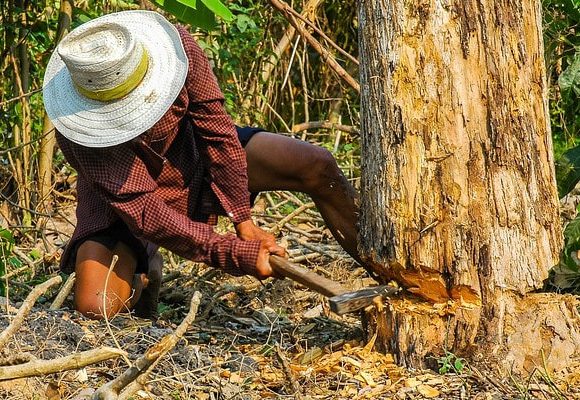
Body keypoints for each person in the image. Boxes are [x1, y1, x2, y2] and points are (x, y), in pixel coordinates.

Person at [43, 10, 362, 319]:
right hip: (127, 202)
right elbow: (145, 212)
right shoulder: (78, 134)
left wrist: (244, 221)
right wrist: (234, 253)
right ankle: (144, 263)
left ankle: (388, 267)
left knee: (316, 164)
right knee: (95, 306)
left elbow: (219, 134)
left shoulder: (178, 51)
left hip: (194, 157)